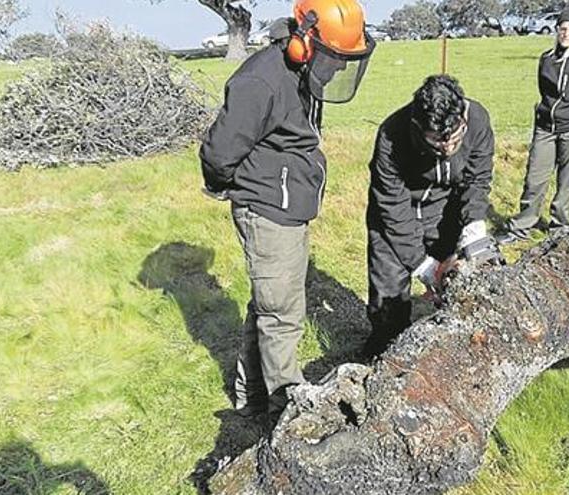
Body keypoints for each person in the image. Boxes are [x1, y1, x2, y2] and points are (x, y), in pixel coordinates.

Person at [199, 0, 375, 421]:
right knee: (283, 314)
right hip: (267, 209)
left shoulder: (302, 72)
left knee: (269, 301)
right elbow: (219, 152)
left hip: (289, 205)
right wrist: (241, 192)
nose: (335, 68)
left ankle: (251, 394)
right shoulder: (261, 81)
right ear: (303, 41)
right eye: (333, 57)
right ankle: (287, 409)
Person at [363, 75, 503, 359]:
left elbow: (476, 180)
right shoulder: (392, 134)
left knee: (459, 287)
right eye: (437, 141)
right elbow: (391, 204)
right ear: (417, 127)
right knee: (388, 303)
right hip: (395, 216)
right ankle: (385, 358)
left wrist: (473, 229)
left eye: (455, 138)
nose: (448, 147)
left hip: (445, 211)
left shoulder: (477, 120)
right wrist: (423, 266)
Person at [497, 6, 569, 244]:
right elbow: (544, 91)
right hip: (545, 128)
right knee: (534, 179)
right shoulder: (546, 59)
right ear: (557, 30)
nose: (567, 34)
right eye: (563, 29)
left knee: (568, 180)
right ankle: (522, 226)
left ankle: (559, 227)